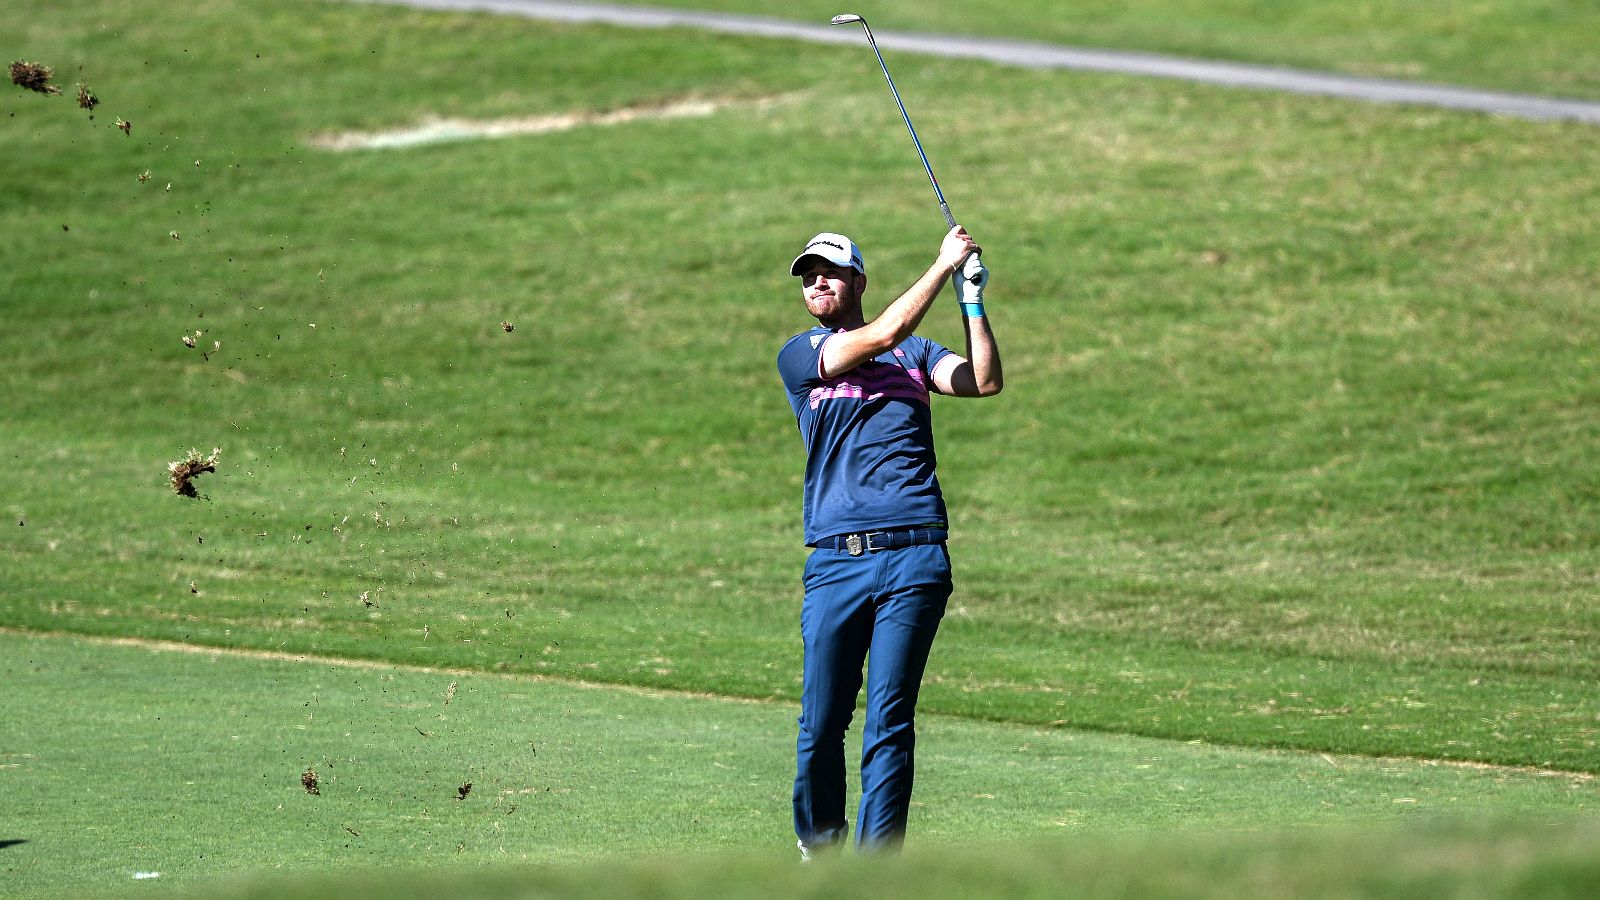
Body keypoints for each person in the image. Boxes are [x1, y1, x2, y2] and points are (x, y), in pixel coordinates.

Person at [776, 225, 1003, 858]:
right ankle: (819, 850)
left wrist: (971, 298)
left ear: (858, 282)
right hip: (836, 561)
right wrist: (941, 265)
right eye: (807, 275)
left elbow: (982, 381)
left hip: (915, 556)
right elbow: (882, 334)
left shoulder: (916, 356)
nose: (817, 282)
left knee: (889, 722)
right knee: (821, 723)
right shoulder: (802, 355)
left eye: (830, 272)